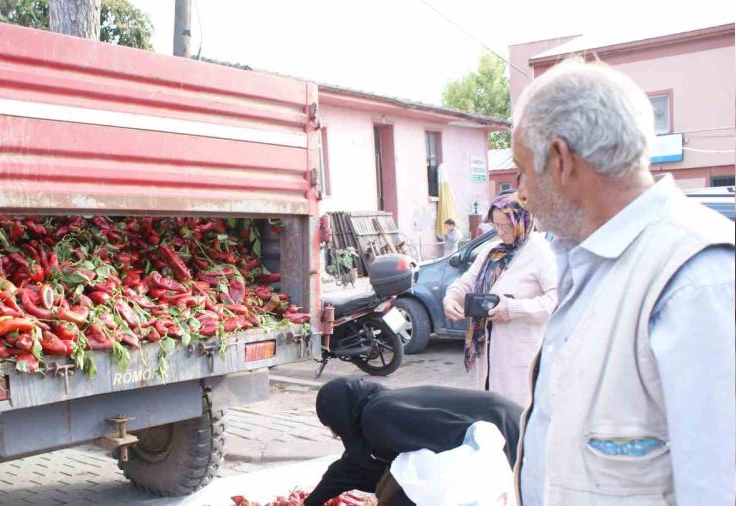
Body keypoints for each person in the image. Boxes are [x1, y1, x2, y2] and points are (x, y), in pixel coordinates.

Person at [513, 59, 735, 506]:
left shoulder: (698, 281)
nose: (522, 193)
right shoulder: (591, 261)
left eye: (523, 172)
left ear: (562, 160)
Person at [303, 378, 522, 506]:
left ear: (340, 413)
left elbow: (455, 440)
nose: (335, 433)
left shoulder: (377, 414)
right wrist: (311, 502)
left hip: (502, 429)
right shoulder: (377, 409)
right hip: (497, 425)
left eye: (332, 424)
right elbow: (348, 469)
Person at [443, 193, 557, 407]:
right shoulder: (492, 252)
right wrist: (451, 299)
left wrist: (513, 308)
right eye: (496, 225)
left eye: (507, 225)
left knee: (516, 413)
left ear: (523, 220)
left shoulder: (541, 253)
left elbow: (555, 301)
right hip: (488, 353)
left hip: (521, 356)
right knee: (491, 410)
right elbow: (466, 282)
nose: (501, 231)